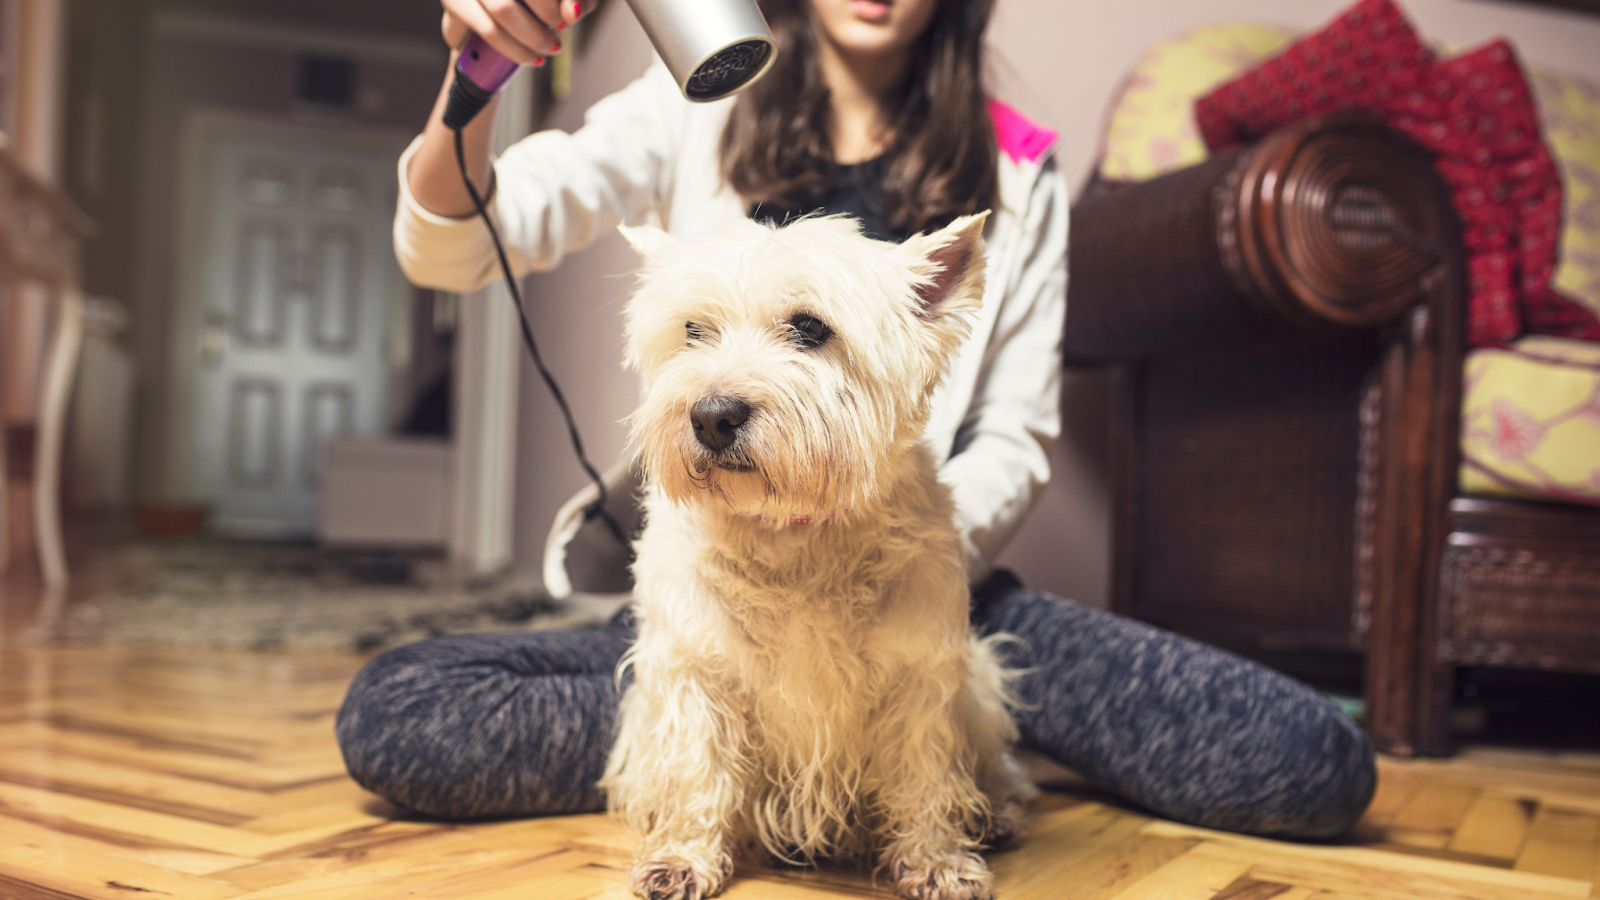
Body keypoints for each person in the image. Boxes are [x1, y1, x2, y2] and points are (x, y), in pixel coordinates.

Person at [336, 0, 1376, 840]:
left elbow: (1015, 432)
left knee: (1304, 761)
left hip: (928, 594)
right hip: (713, 589)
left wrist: (898, 543)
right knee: (398, 714)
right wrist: (471, 79)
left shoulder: (1018, 166)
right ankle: (720, 749)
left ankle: (907, 750)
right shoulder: (690, 97)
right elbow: (451, 249)